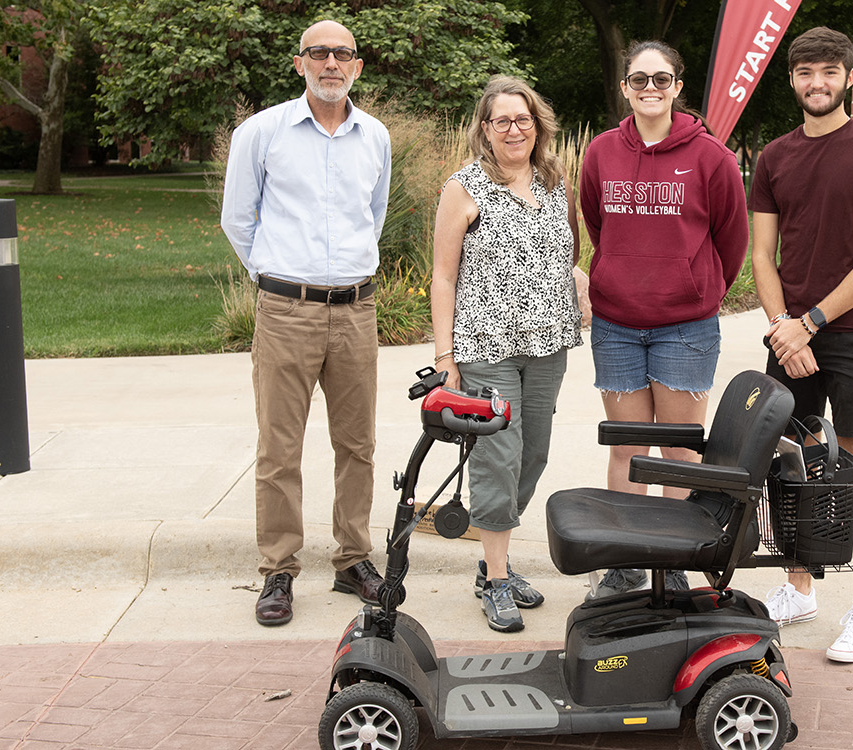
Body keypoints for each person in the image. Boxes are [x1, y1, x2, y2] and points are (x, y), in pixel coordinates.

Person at [221, 20, 392, 627]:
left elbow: (373, 216)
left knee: (357, 445)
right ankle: (278, 570)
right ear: (300, 64)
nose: (331, 63)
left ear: (357, 66)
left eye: (343, 53)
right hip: (285, 312)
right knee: (279, 448)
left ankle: (353, 560)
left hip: (355, 311)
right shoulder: (262, 133)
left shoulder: (374, 137)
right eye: (319, 53)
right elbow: (238, 220)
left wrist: (340, 276)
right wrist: (278, 276)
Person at [749, 27, 853, 663]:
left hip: (849, 333)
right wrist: (781, 326)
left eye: (829, 72)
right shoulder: (774, 157)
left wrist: (809, 322)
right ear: (792, 81)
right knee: (794, 464)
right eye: (806, 73)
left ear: (848, 77)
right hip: (790, 331)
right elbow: (762, 254)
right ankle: (799, 587)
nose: (818, 83)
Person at [578, 41, 749, 598]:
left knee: (677, 450)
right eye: (637, 80)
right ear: (625, 88)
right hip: (617, 325)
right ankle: (625, 560)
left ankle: (672, 561)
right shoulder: (600, 153)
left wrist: (696, 288)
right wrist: (620, 275)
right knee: (627, 448)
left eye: (661, 79)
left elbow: (731, 241)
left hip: (686, 328)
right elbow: (597, 225)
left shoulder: (712, 158)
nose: (649, 89)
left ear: (678, 86)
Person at [431, 76, 585, 633]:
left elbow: (563, 253)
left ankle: (493, 559)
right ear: (485, 129)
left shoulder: (554, 182)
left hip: (547, 347)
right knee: (498, 458)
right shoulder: (464, 187)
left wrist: (581, 285)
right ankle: (495, 578)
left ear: (537, 125)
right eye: (502, 121)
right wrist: (445, 355)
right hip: (487, 348)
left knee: (533, 454)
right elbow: (444, 276)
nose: (515, 129)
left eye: (523, 120)